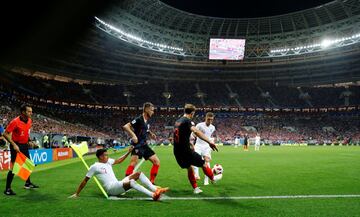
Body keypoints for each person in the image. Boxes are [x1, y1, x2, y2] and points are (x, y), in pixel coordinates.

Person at [69, 148, 168, 201]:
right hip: (111, 189)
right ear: (100, 157)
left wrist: (128, 152)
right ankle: (153, 195)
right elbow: (85, 180)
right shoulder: (94, 166)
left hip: (117, 184)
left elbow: (119, 160)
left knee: (138, 173)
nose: (107, 156)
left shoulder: (108, 161)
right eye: (105, 155)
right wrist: (77, 193)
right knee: (132, 181)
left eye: (107, 154)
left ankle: (155, 190)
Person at [173, 104, 222, 194]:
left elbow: (180, 135)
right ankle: (212, 178)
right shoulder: (188, 121)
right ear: (192, 113)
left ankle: (196, 188)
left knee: (189, 167)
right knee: (203, 164)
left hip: (177, 151)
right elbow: (196, 131)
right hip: (186, 151)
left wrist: (189, 142)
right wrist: (209, 142)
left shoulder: (177, 121)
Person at [3, 104, 39, 196]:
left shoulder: (30, 121)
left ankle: (28, 183)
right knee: (14, 167)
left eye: (31, 111)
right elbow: (5, 134)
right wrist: (14, 145)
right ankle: (7, 189)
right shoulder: (15, 121)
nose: (31, 113)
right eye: (29, 111)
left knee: (27, 164)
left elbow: (26, 133)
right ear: (23, 112)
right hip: (16, 145)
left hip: (24, 146)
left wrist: (30, 141)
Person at [123, 102, 160, 184]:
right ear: (146, 109)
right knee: (133, 163)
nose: (153, 112)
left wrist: (151, 133)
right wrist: (133, 135)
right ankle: (124, 183)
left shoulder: (146, 120)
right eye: (152, 110)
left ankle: (151, 182)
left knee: (156, 162)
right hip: (137, 145)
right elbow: (126, 126)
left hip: (144, 145)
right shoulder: (139, 119)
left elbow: (145, 129)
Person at [192, 112, 216, 185]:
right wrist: (192, 143)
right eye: (208, 119)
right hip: (198, 145)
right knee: (195, 159)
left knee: (207, 162)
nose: (210, 121)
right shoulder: (199, 125)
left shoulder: (213, 127)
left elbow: (209, 136)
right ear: (205, 118)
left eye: (211, 120)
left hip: (206, 146)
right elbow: (194, 134)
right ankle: (196, 175)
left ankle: (206, 180)